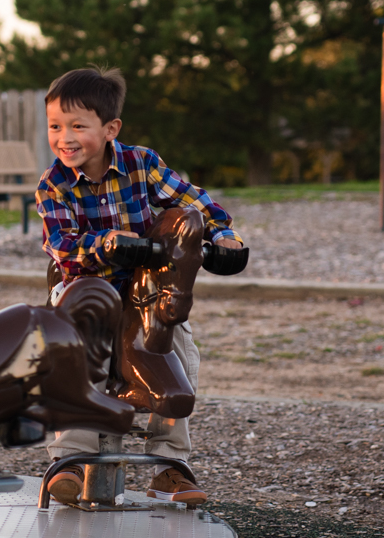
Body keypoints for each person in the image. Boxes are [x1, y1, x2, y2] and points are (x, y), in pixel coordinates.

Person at [35, 66, 244, 506]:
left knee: (178, 350)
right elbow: (61, 246)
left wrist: (222, 233)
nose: (64, 138)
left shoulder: (141, 163)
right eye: (55, 126)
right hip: (83, 288)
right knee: (79, 351)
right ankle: (71, 458)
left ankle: (168, 464)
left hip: (140, 289)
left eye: (78, 126)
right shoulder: (53, 185)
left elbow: (191, 199)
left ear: (111, 129)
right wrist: (105, 244)